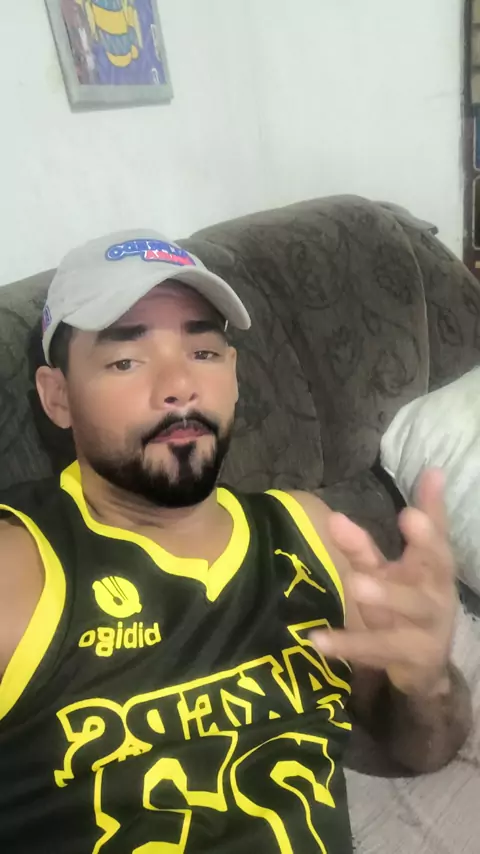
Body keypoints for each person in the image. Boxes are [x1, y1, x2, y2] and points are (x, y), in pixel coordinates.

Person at [0, 230, 472, 854]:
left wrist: (427, 682)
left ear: (235, 376)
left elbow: (422, 749)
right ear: (57, 397)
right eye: (126, 360)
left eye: (203, 351)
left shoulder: (312, 533)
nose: (179, 385)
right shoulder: (19, 566)